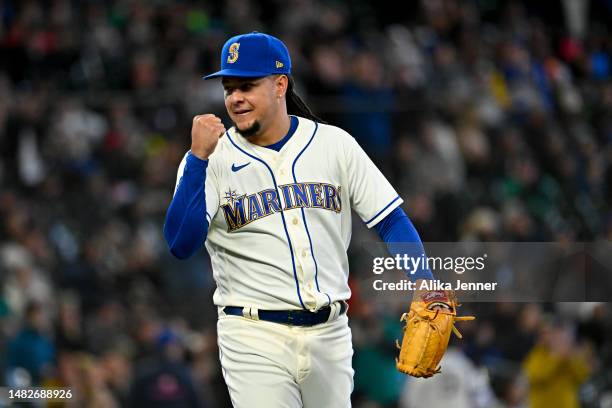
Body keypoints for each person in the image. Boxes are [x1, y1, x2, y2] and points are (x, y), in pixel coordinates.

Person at [163, 31, 436, 407]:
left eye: (247, 85)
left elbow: (390, 219)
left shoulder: (333, 144)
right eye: (229, 88)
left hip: (331, 335)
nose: (235, 98)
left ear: (280, 85)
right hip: (253, 335)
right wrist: (196, 160)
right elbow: (181, 244)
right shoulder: (211, 158)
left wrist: (425, 282)